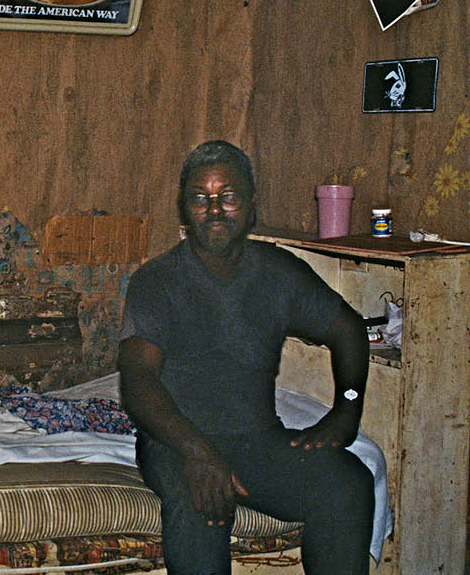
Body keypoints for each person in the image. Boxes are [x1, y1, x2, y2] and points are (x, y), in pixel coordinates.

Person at [117, 141, 375, 574]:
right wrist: (198, 451)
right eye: (200, 199)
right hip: (176, 441)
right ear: (185, 209)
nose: (215, 210)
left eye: (228, 197)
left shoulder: (277, 272)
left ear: (251, 204)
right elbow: (138, 379)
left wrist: (346, 411)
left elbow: (349, 330)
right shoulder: (157, 281)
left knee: (348, 481)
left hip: (258, 440)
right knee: (202, 502)